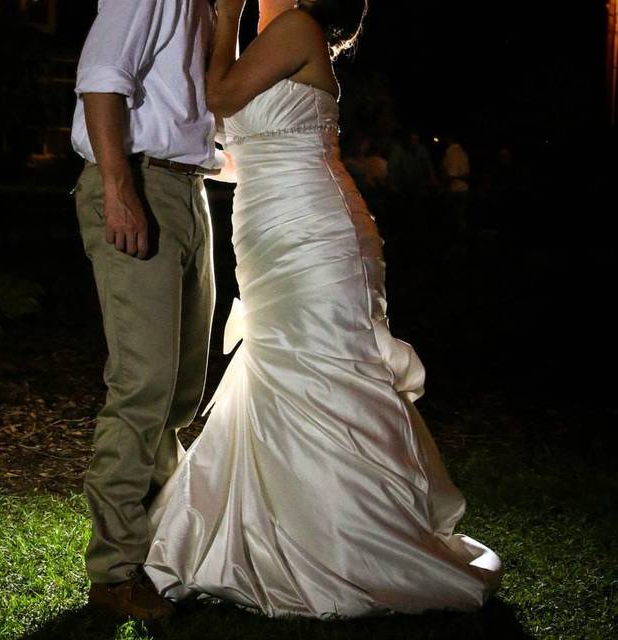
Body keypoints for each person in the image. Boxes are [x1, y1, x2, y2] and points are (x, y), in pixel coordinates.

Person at [144, 0, 501, 618]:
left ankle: (354, 541)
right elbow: (228, 131)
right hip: (270, 228)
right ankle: (277, 526)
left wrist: (224, 17)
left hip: (312, 227)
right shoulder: (278, 38)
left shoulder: (296, 26)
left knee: (319, 363)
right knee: (280, 366)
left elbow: (219, 98)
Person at [70, 0, 221, 624]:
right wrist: (118, 188)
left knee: (182, 390)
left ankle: (159, 538)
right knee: (142, 384)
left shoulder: (206, 9)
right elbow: (101, 78)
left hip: (188, 188)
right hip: (139, 180)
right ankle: (114, 571)